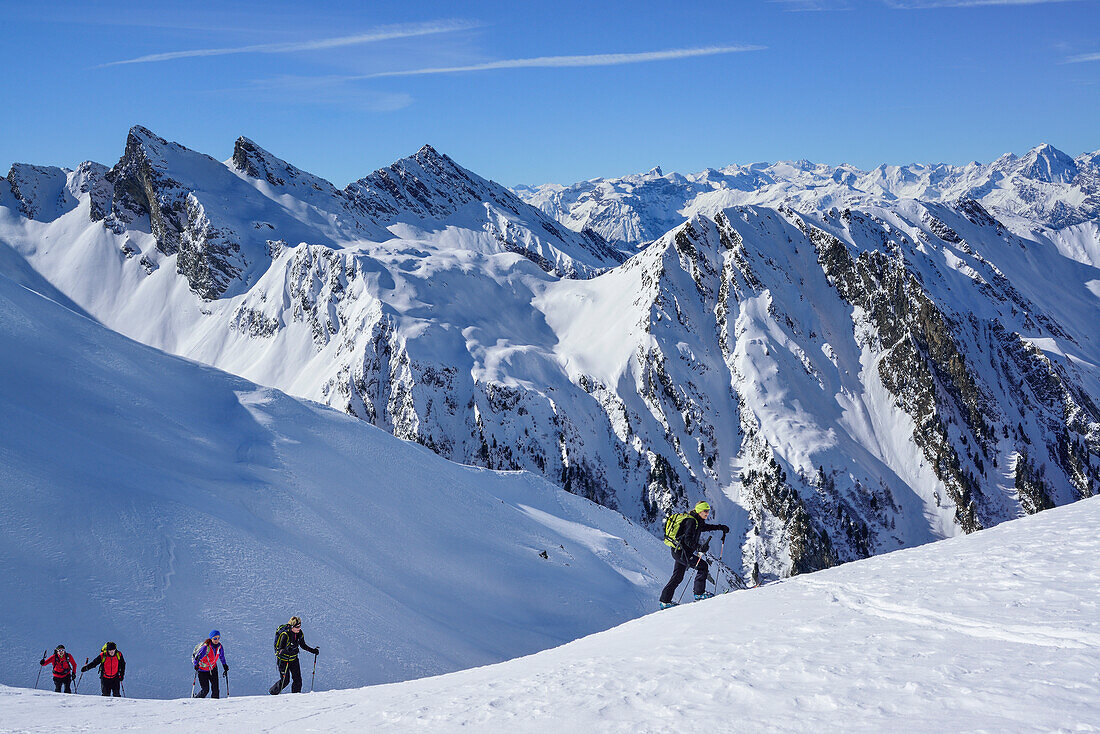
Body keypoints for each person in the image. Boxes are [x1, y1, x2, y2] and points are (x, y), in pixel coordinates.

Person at [659, 501, 729, 609]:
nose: (707, 513)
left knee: (677, 577)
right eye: (705, 511)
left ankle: (665, 601)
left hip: (679, 552)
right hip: (682, 553)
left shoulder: (697, 521)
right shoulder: (691, 522)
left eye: (708, 511)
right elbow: (687, 539)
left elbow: (704, 527)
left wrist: (720, 527)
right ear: (699, 511)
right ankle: (699, 594)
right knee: (703, 566)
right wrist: (699, 547)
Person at [269, 616, 318, 694]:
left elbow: (303, 645)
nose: (299, 628)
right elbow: (280, 651)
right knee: (285, 681)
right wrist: (287, 651)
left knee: (298, 680)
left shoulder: (300, 633)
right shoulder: (285, 634)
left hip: (294, 659)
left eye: (300, 626)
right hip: (283, 660)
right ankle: (272, 692)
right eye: (297, 626)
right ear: (292, 626)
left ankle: (295, 697)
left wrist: (313, 651)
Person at [192, 630, 229, 699]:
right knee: (205, 690)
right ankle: (196, 700)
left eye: (218, 638)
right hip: (202, 670)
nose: (216, 640)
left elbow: (222, 656)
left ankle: (215, 706)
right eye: (215, 638)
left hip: (213, 668)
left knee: (216, 690)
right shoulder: (205, 647)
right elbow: (197, 658)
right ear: (211, 638)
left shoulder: (219, 647)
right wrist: (196, 665)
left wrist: (224, 665)